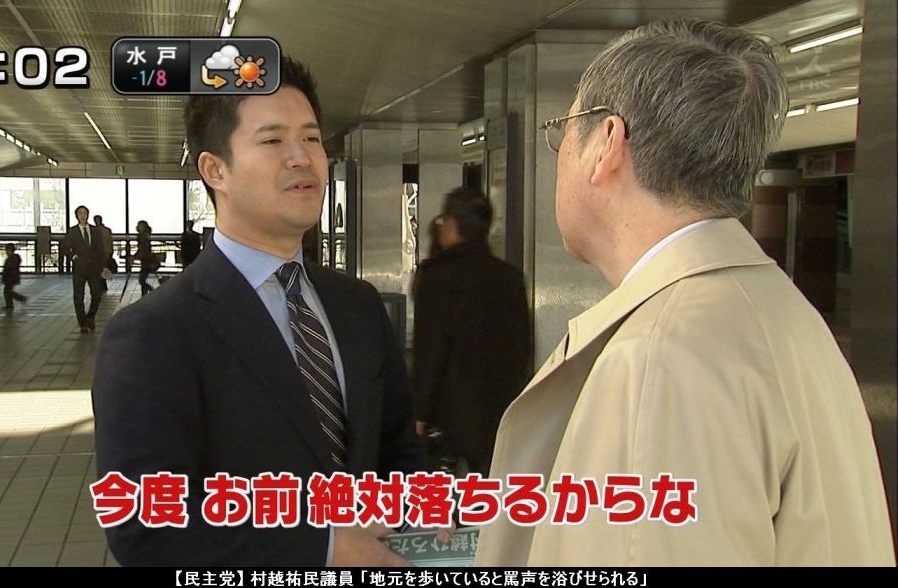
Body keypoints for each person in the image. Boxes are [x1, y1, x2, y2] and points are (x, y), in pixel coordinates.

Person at [474, 18, 895, 566]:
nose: (559, 154)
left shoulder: (658, 357)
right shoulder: (779, 311)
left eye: (565, 128)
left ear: (607, 143)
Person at [92, 55, 432, 566]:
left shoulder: (357, 305)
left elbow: (397, 449)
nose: (302, 158)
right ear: (216, 170)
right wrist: (324, 548)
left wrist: (421, 509)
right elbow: (145, 525)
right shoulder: (154, 331)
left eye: (312, 138)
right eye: (273, 141)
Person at [412, 187, 531, 477]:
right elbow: (522, 348)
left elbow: (430, 352)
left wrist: (419, 414)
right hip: (499, 415)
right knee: (490, 491)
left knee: (444, 494)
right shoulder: (510, 278)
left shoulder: (437, 276)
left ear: (453, 224)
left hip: (450, 419)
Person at [65, 205, 104, 333]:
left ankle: (90, 316)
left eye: (85, 213)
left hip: (94, 268)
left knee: (97, 294)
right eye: (80, 213)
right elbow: (66, 248)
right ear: (77, 216)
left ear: (88, 215)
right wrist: (73, 257)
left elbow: (100, 249)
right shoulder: (72, 231)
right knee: (78, 296)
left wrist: (102, 265)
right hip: (79, 268)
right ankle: (83, 323)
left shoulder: (95, 230)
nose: (83, 216)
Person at [132, 220, 157, 295]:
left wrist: (136, 256)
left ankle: (152, 292)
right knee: (142, 279)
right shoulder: (146, 235)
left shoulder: (142, 237)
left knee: (142, 280)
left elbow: (142, 248)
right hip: (146, 259)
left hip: (145, 260)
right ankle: (145, 294)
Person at [1, 243, 28, 310]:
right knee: (8, 291)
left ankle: (21, 299)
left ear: (9, 250)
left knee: (7, 291)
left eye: (7, 250)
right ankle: (10, 305)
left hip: (10, 277)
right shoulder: (13, 258)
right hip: (12, 277)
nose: (6, 251)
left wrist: (5, 276)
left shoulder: (12, 258)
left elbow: (8, 269)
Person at [94, 215, 115, 292]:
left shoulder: (93, 230)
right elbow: (110, 242)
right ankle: (103, 285)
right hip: (105, 252)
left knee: (98, 270)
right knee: (103, 269)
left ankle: (101, 285)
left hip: (98, 253)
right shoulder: (107, 230)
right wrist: (110, 251)